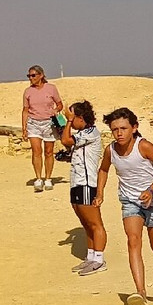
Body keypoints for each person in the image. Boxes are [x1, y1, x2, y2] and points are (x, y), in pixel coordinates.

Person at [97, 107, 153, 305]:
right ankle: (141, 292)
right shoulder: (110, 150)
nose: (119, 133)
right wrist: (100, 193)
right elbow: (104, 169)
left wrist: (152, 191)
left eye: (124, 128)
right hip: (130, 200)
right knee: (133, 241)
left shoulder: (143, 146)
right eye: (115, 129)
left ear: (134, 128)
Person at [61, 101, 108, 276]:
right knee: (85, 223)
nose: (71, 123)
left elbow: (66, 140)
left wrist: (67, 122)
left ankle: (99, 260)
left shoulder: (91, 132)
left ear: (80, 118)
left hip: (87, 184)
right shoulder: (82, 133)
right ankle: (91, 257)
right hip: (76, 183)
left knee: (95, 224)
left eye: (73, 119)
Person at [21, 65, 64, 192]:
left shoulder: (51, 88)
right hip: (33, 123)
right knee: (36, 151)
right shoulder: (27, 91)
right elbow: (25, 110)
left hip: (49, 124)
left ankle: (48, 178)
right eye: (29, 76)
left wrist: (56, 110)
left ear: (41, 75)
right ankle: (38, 178)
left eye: (33, 75)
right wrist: (24, 128)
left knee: (49, 152)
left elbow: (60, 104)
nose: (31, 78)